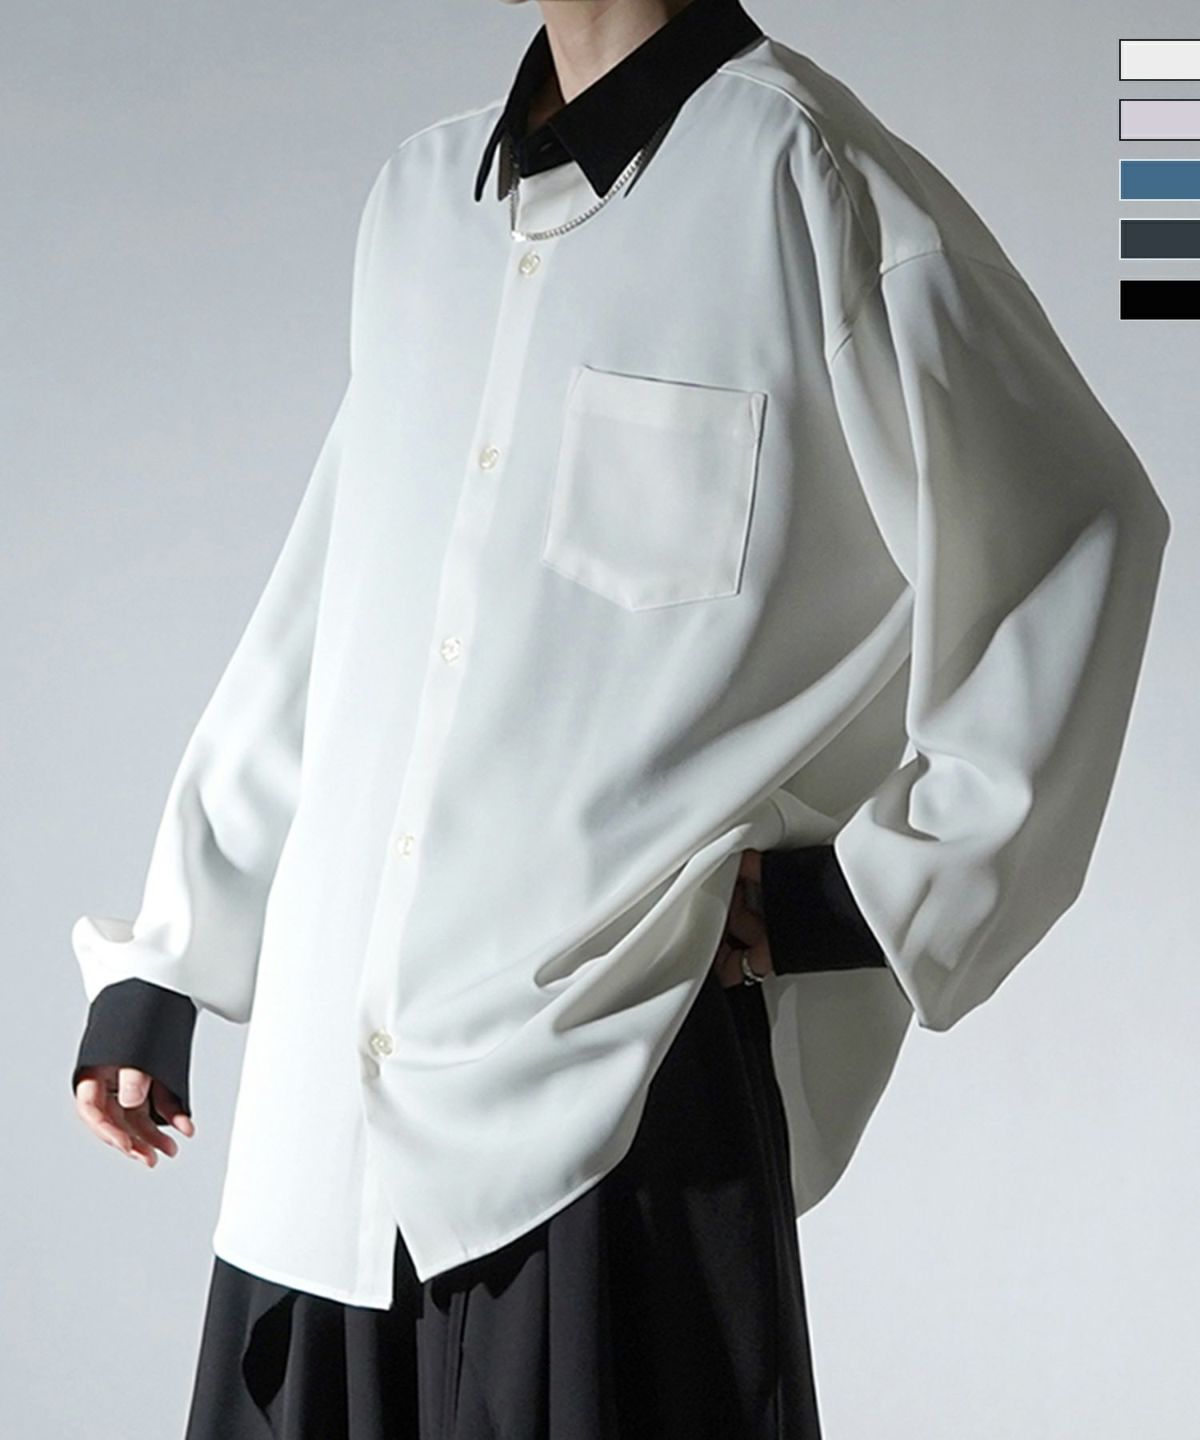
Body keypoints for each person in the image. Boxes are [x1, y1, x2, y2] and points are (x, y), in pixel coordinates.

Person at [70, 0, 1171, 1436]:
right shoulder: (421, 207)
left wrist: (869, 893)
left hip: (605, 1120)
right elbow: (333, 617)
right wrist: (168, 958)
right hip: (317, 1160)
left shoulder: (807, 180)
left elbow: (1075, 531)